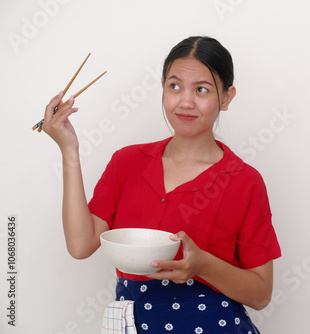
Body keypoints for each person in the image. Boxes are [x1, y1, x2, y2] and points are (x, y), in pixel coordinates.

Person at [42, 36, 281, 334]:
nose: (185, 101)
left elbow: (260, 294)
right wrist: (69, 151)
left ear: (226, 97)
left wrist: (203, 265)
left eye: (202, 90)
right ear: (163, 87)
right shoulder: (127, 162)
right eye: (175, 86)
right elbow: (80, 245)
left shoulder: (244, 181)